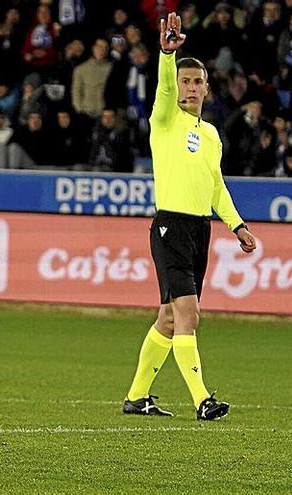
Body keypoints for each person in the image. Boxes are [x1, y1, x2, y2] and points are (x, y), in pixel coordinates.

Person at [122, 12, 257, 421]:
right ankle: (202, 400)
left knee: (168, 317)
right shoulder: (164, 121)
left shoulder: (212, 134)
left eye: (198, 82)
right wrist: (167, 55)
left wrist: (237, 224)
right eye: (185, 81)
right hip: (170, 226)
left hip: (201, 228)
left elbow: (216, 186)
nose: (191, 87)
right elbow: (162, 89)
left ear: (207, 88)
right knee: (189, 314)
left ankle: (136, 397)